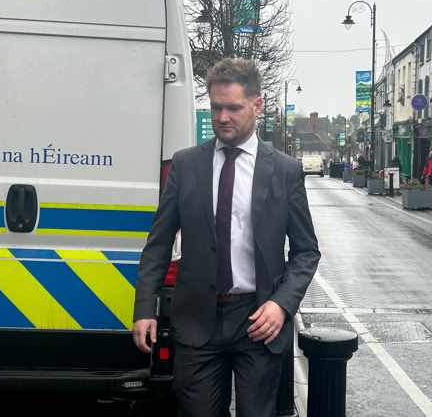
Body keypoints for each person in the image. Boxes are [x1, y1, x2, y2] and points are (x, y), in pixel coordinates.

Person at [132, 58, 321, 417]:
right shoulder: (186, 165)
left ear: (257, 106)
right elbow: (157, 244)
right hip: (197, 321)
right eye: (216, 107)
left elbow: (306, 252)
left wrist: (282, 305)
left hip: (258, 321)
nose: (223, 117)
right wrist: (145, 309)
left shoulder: (284, 171)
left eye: (233, 107)